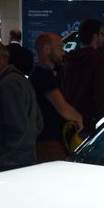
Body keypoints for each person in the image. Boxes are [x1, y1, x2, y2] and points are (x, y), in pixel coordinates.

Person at [0, 39, 40, 173]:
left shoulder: (8, 84)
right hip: (20, 159)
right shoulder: (19, 80)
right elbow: (38, 122)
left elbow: (18, 126)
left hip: (7, 164)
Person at [31, 32, 82, 162]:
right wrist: (79, 119)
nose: (63, 52)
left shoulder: (43, 73)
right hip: (48, 142)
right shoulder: (43, 75)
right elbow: (62, 107)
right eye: (59, 48)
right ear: (47, 49)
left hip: (48, 139)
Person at [61, 18, 104, 130]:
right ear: (95, 36)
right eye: (102, 33)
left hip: (70, 119)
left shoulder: (70, 59)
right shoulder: (98, 60)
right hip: (91, 122)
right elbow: (101, 95)